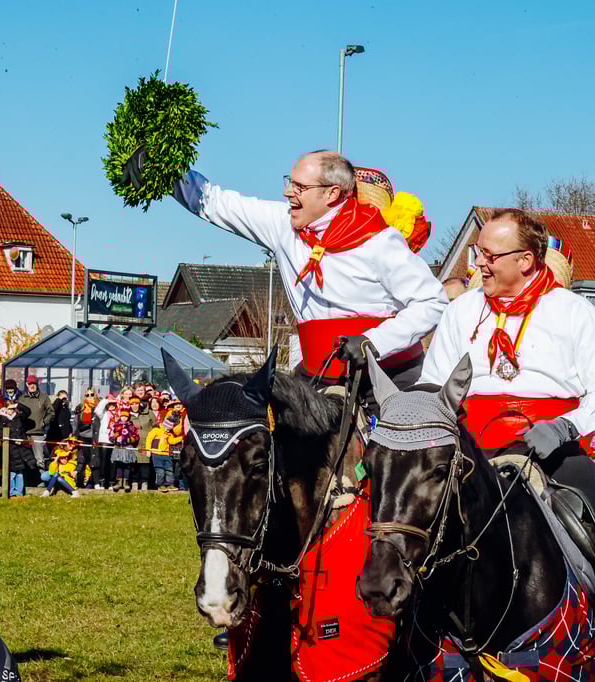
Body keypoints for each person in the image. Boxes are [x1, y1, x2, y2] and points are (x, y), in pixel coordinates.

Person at [420, 209, 595, 679]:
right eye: (477, 252)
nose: (477, 263)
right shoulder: (461, 311)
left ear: (525, 260)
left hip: (552, 449)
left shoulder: (572, 312)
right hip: (472, 448)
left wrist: (565, 426)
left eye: (488, 254)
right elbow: (434, 384)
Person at [125, 149, 447, 395]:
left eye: (300, 186)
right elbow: (218, 204)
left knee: (394, 456)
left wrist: (372, 342)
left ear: (332, 193)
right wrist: (164, 172)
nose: (288, 192)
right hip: (318, 377)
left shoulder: (379, 241)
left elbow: (432, 302)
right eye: (289, 182)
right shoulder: (283, 225)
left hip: (386, 378)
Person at [18, 375, 54, 474]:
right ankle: (27, 479)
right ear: (27, 384)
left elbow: (51, 412)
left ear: (37, 384)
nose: (32, 386)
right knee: (25, 457)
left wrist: (44, 422)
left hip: (38, 433)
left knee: (39, 459)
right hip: (24, 433)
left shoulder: (44, 398)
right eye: (30, 384)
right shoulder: (22, 398)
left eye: (34, 383)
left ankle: (41, 479)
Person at [0, 401, 34, 496]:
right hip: (10, 449)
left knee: (20, 471)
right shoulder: (2, 419)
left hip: (21, 449)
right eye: (9, 408)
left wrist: (17, 405)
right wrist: (14, 441)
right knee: (12, 472)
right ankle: (11, 492)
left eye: (13, 409)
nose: (11, 411)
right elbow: (1, 434)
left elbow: (28, 411)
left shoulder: (19, 417)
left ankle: (19, 492)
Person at [109, 407, 139, 492]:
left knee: (127, 465)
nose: (124, 418)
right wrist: (115, 439)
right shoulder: (115, 426)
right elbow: (111, 435)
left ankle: (126, 482)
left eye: (126, 416)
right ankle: (118, 482)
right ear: (120, 416)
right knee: (118, 465)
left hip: (128, 448)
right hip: (118, 448)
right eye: (122, 416)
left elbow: (136, 436)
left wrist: (129, 440)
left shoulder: (131, 426)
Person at [129, 396, 154, 491]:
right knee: (134, 463)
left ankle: (144, 482)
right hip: (134, 444)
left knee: (145, 463)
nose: (134, 406)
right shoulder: (128, 416)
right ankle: (134, 482)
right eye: (132, 404)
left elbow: (155, 425)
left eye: (136, 403)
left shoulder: (148, 413)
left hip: (145, 443)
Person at [145, 419, 174, 491]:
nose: (168, 430)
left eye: (170, 429)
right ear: (164, 425)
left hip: (167, 454)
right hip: (156, 454)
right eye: (167, 428)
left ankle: (169, 484)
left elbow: (171, 441)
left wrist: (181, 437)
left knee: (169, 470)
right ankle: (160, 485)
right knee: (160, 471)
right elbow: (149, 439)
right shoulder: (156, 430)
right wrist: (148, 450)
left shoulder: (169, 433)